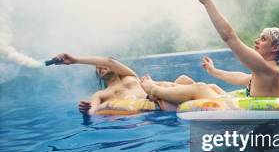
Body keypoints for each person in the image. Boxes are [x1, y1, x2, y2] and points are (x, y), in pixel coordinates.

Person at [140, 0, 279, 104]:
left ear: (275, 47)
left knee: (200, 88)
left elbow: (229, 37)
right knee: (196, 83)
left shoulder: (266, 70)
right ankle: (165, 90)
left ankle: (154, 89)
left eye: (263, 39)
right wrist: (214, 71)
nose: (256, 41)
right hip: (255, 110)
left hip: (249, 120)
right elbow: (244, 78)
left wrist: (207, 2)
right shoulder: (275, 71)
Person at [51, 53, 197, 114]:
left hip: (160, 98)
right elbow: (92, 110)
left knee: (184, 79)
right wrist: (86, 110)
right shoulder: (102, 94)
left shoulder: (130, 75)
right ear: (99, 76)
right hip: (149, 111)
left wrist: (75, 59)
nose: (101, 67)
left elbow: (110, 61)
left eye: (102, 65)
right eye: (98, 68)